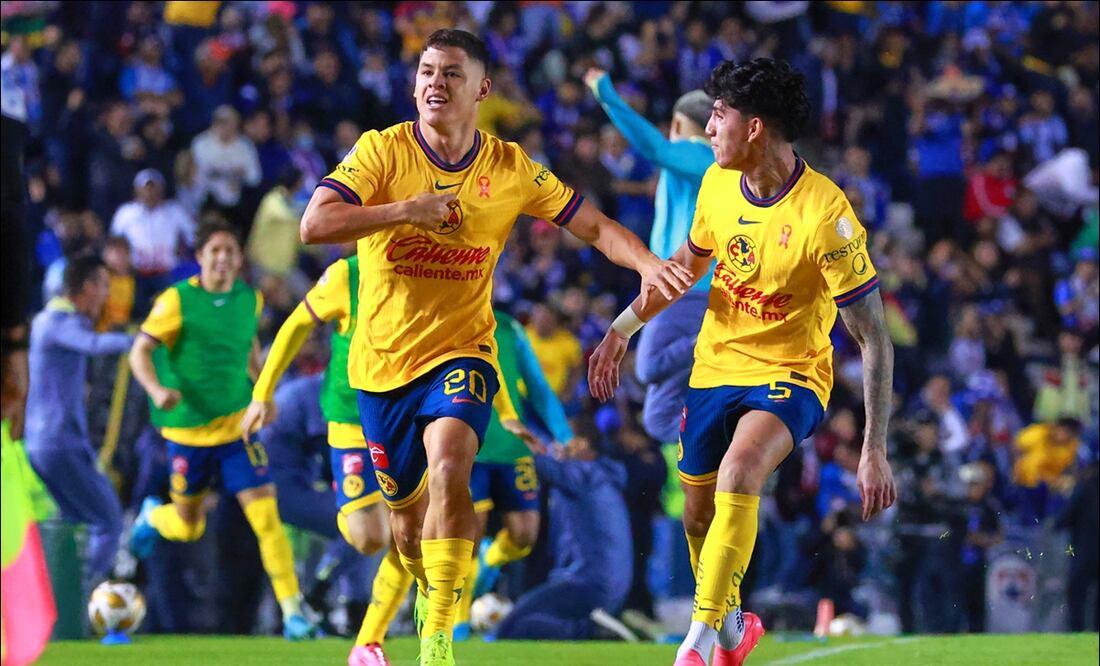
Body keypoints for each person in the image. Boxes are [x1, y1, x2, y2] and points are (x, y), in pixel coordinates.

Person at [298, 28, 691, 666]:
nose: (434, 83)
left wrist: (646, 264)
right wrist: (405, 210)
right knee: (405, 520)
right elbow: (314, 223)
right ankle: (428, 593)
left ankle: (438, 641)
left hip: (463, 351)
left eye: (451, 73)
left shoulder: (509, 168)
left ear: (482, 88)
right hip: (380, 365)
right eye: (426, 71)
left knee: (451, 461)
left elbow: (591, 225)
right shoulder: (381, 151)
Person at [589, 58, 897, 666]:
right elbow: (682, 269)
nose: (708, 129)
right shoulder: (716, 186)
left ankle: (696, 643)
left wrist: (874, 447)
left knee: (740, 472)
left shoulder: (826, 217)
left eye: (719, 115)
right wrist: (621, 331)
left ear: (754, 127)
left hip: (791, 374)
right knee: (698, 515)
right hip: (715, 366)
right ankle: (732, 631)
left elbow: (875, 339)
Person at [127, 220, 317, 641]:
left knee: (267, 518)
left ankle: (293, 613)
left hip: (237, 431)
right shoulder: (177, 300)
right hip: (188, 433)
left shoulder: (250, 300)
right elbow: (140, 351)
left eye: (230, 251)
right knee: (189, 524)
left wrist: (262, 394)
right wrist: (157, 390)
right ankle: (153, 517)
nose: (223, 258)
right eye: (215, 250)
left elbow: (248, 353)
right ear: (200, 257)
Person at [240, 254, 411, 666]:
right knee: (369, 537)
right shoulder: (346, 275)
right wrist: (262, 393)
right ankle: (321, 596)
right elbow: (297, 323)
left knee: (410, 535)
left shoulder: (434, 270)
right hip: (351, 421)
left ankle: (369, 643)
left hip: (407, 417)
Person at [584, 68, 715, 533]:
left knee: (646, 368)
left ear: (680, 124)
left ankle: (708, 342)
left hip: (687, 294)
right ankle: (689, 484)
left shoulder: (699, 158)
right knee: (662, 413)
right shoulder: (699, 168)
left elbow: (655, 149)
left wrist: (606, 94)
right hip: (673, 288)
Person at [453, 309, 575, 639]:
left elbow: (537, 385)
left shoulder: (510, 328)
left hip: (514, 446)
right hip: (471, 446)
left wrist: (562, 434)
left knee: (524, 536)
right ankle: (459, 618)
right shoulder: (451, 318)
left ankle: (491, 560)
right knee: (469, 535)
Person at [24, 255, 135, 587]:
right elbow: (95, 344)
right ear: (86, 287)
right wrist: (146, 340)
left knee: (76, 523)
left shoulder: (55, 321)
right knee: (109, 521)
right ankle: (77, 595)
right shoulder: (55, 320)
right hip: (58, 443)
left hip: (51, 443)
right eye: (104, 285)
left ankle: (64, 601)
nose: (107, 295)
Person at [493, 434, 634, 641]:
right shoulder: (602, 478)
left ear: (582, 443)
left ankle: (594, 631)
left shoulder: (585, 473)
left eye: (562, 439)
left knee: (511, 627)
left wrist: (513, 436)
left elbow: (542, 465)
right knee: (529, 615)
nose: (556, 447)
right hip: (606, 585)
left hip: (588, 583)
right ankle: (608, 623)